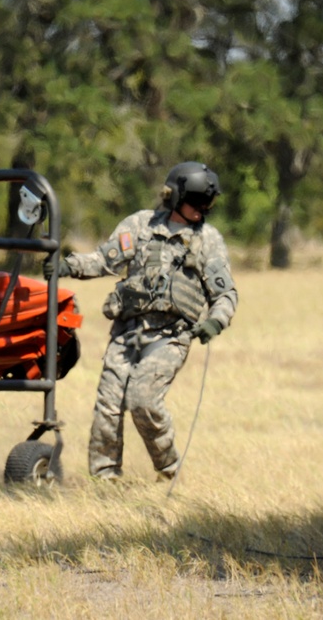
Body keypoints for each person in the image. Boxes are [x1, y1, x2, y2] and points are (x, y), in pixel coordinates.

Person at [44, 161, 238, 482]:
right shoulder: (140, 225)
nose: (203, 209)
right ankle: (106, 480)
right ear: (175, 196)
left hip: (171, 336)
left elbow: (225, 294)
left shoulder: (208, 240)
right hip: (127, 332)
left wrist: (215, 322)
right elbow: (103, 260)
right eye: (197, 201)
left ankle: (169, 470)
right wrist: (67, 266)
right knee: (108, 406)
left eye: (208, 202)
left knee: (143, 400)